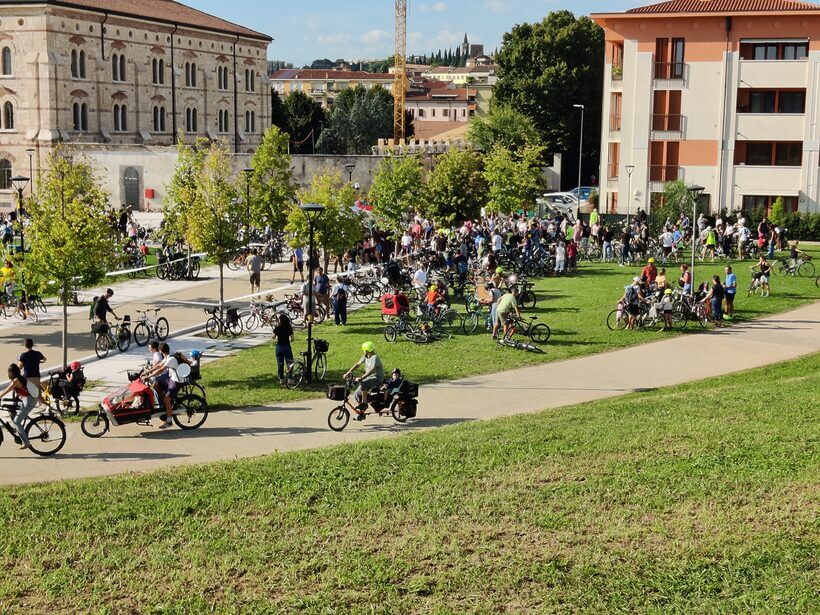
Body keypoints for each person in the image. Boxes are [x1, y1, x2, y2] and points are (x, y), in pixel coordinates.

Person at [141, 343, 184, 428]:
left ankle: (169, 421)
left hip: (176, 381)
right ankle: (164, 404)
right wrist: (147, 372)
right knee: (155, 384)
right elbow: (158, 365)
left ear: (161, 351)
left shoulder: (170, 359)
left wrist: (148, 376)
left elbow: (161, 370)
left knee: (167, 400)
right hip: (171, 379)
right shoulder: (167, 357)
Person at [0, 364, 39, 449]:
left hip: (29, 402)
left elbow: (8, 390)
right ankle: (17, 430)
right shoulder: (20, 378)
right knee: (11, 410)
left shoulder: (16, 381)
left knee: (17, 421)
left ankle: (26, 443)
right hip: (26, 400)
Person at [344, 342, 384, 416]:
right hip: (368, 379)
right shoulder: (366, 356)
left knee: (364, 383)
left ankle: (364, 403)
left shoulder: (375, 358)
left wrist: (361, 378)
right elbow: (357, 364)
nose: (363, 351)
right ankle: (361, 410)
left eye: (364, 350)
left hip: (377, 378)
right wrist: (348, 373)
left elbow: (371, 370)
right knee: (356, 394)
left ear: (367, 350)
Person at [273, 313, 295, 384]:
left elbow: (273, 337)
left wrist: (275, 329)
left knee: (280, 363)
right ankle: (290, 379)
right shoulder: (288, 328)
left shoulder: (278, 328)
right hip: (286, 346)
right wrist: (291, 340)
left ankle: (281, 378)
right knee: (290, 363)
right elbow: (293, 338)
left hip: (279, 347)